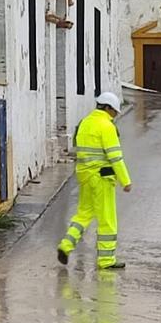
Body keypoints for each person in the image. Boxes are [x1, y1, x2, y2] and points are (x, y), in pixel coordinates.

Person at [57, 92, 132, 270]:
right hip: (102, 178)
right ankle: (106, 260)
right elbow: (115, 157)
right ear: (107, 108)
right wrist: (125, 181)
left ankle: (66, 245)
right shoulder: (106, 126)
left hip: (85, 176)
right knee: (107, 219)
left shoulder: (85, 122)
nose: (115, 115)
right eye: (114, 112)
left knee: (83, 214)